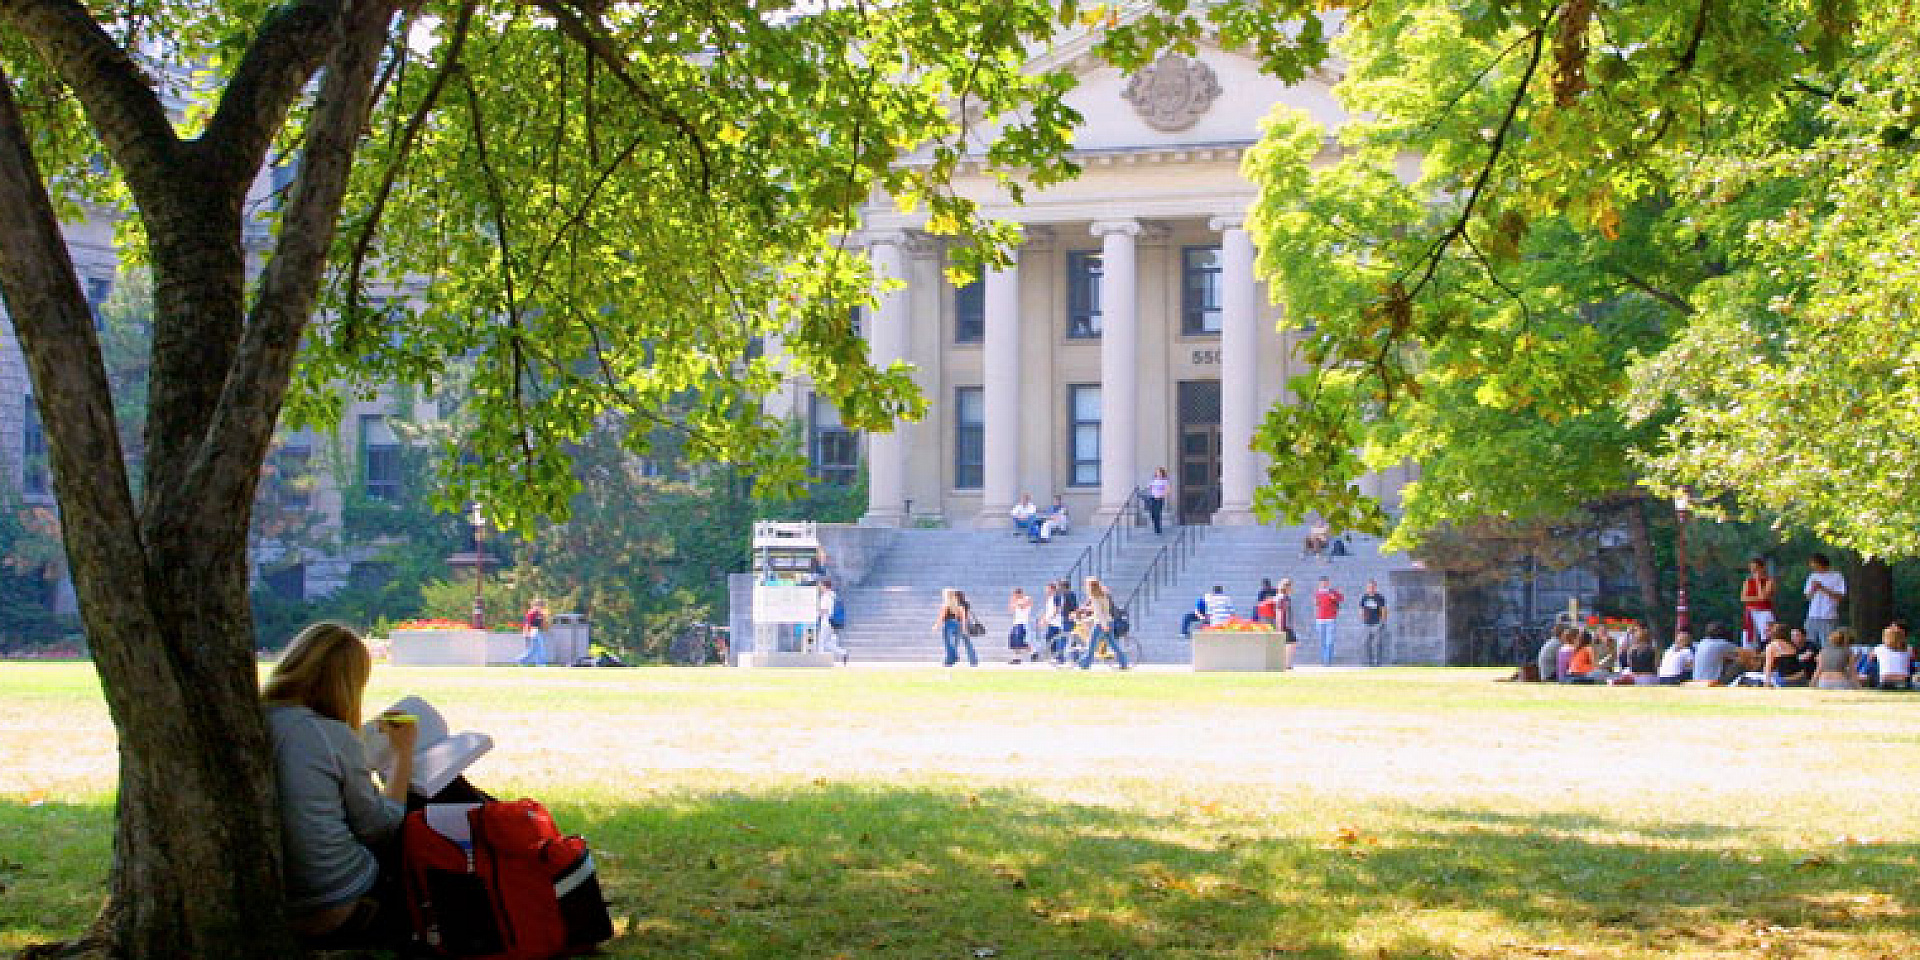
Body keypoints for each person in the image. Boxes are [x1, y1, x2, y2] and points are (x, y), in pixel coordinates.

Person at [262, 623, 412, 944]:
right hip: (337, 895)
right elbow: (380, 828)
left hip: (276, 896)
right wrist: (403, 756)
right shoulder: (329, 734)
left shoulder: (257, 719)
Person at [1077, 576, 1129, 670]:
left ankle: (1085, 664)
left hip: (1101, 624)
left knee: (1091, 644)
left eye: (1087, 585)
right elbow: (1104, 611)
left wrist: (1104, 625)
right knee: (1113, 645)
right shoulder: (1104, 595)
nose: (1085, 587)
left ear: (1091, 586)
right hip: (1108, 622)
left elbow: (1099, 613)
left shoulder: (1095, 597)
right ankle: (1124, 662)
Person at [1803, 553, 1846, 646]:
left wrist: (1822, 588)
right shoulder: (1812, 576)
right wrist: (1813, 589)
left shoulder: (1837, 576)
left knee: (1827, 644)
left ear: (1822, 564)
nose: (1813, 568)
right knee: (1810, 644)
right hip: (1812, 616)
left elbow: (1840, 597)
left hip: (1828, 616)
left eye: (1815, 565)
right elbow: (1807, 597)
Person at [934, 588, 978, 667]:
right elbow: (964, 618)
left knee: (949, 643)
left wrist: (936, 626)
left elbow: (941, 617)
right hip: (958, 624)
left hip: (948, 624)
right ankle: (970, 660)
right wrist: (964, 627)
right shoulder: (959, 606)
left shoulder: (945, 606)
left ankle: (951, 659)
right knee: (956, 643)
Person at [1740, 557, 1776, 648]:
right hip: (1750, 611)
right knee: (1749, 637)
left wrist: (1758, 582)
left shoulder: (1769, 581)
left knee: (1767, 636)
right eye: (1751, 569)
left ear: (1762, 568)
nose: (1753, 571)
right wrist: (1757, 598)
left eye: (1756, 568)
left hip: (1764, 611)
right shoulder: (1748, 582)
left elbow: (1763, 597)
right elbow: (1743, 598)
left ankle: (1768, 653)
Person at [1763, 623, 1807, 687]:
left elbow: (1768, 666)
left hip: (1787, 680)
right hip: (1801, 677)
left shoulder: (1772, 646)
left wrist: (1767, 683)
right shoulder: (1791, 644)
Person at [1312, 576, 1343, 666]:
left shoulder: (1333, 591)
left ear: (1328, 583)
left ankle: (1327, 661)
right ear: (1320, 583)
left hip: (1330, 619)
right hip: (1320, 619)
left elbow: (1341, 599)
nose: (1324, 584)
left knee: (1329, 641)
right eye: (1322, 583)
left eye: (1325, 582)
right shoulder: (1317, 593)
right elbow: (1316, 603)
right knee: (1322, 641)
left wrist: (1335, 598)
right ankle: (1323, 659)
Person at [816, 578, 847, 663]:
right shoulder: (834, 595)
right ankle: (843, 652)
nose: (819, 587)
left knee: (821, 642)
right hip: (833, 622)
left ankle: (820, 660)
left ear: (824, 586)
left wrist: (817, 614)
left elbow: (824, 610)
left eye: (821, 585)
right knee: (827, 642)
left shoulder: (825, 596)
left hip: (826, 621)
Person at [1358, 579, 1388, 667]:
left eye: (1372, 587)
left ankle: (1378, 663)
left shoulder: (1380, 597)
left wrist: (1382, 621)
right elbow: (1361, 608)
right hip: (1367, 623)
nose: (1370, 588)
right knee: (1366, 643)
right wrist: (1362, 618)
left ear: (1375, 587)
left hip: (1377, 623)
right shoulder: (1364, 597)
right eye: (1369, 587)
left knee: (1377, 644)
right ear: (1367, 588)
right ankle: (1369, 662)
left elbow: (1384, 610)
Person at [517, 598, 548, 666]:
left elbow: (543, 624)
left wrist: (544, 617)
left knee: (534, 649)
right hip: (533, 631)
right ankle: (540, 664)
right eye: (540, 605)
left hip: (537, 631)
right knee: (540, 648)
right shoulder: (532, 612)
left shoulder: (539, 613)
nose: (541, 607)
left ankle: (521, 660)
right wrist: (526, 632)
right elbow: (527, 623)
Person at [1007, 587, 1034, 664]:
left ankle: (1019, 658)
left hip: (1023, 623)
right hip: (1015, 623)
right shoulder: (1016, 601)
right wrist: (1013, 601)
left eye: (1016, 594)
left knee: (1020, 642)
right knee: (1014, 642)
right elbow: (1010, 610)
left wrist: (1015, 601)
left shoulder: (1027, 598)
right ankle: (1032, 653)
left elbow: (1023, 606)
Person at [1144, 467, 1170, 535]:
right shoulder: (1154, 480)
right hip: (1152, 498)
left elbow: (1167, 490)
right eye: (1156, 472)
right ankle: (1155, 523)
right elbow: (1149, 487)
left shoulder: (1164, 481)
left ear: (1161, 473)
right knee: (1152, 513)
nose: (1157, 473)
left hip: (1159, 499)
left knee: (1157, 513)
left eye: (1158, 472)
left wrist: (1162, 495)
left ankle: (1158, 529)